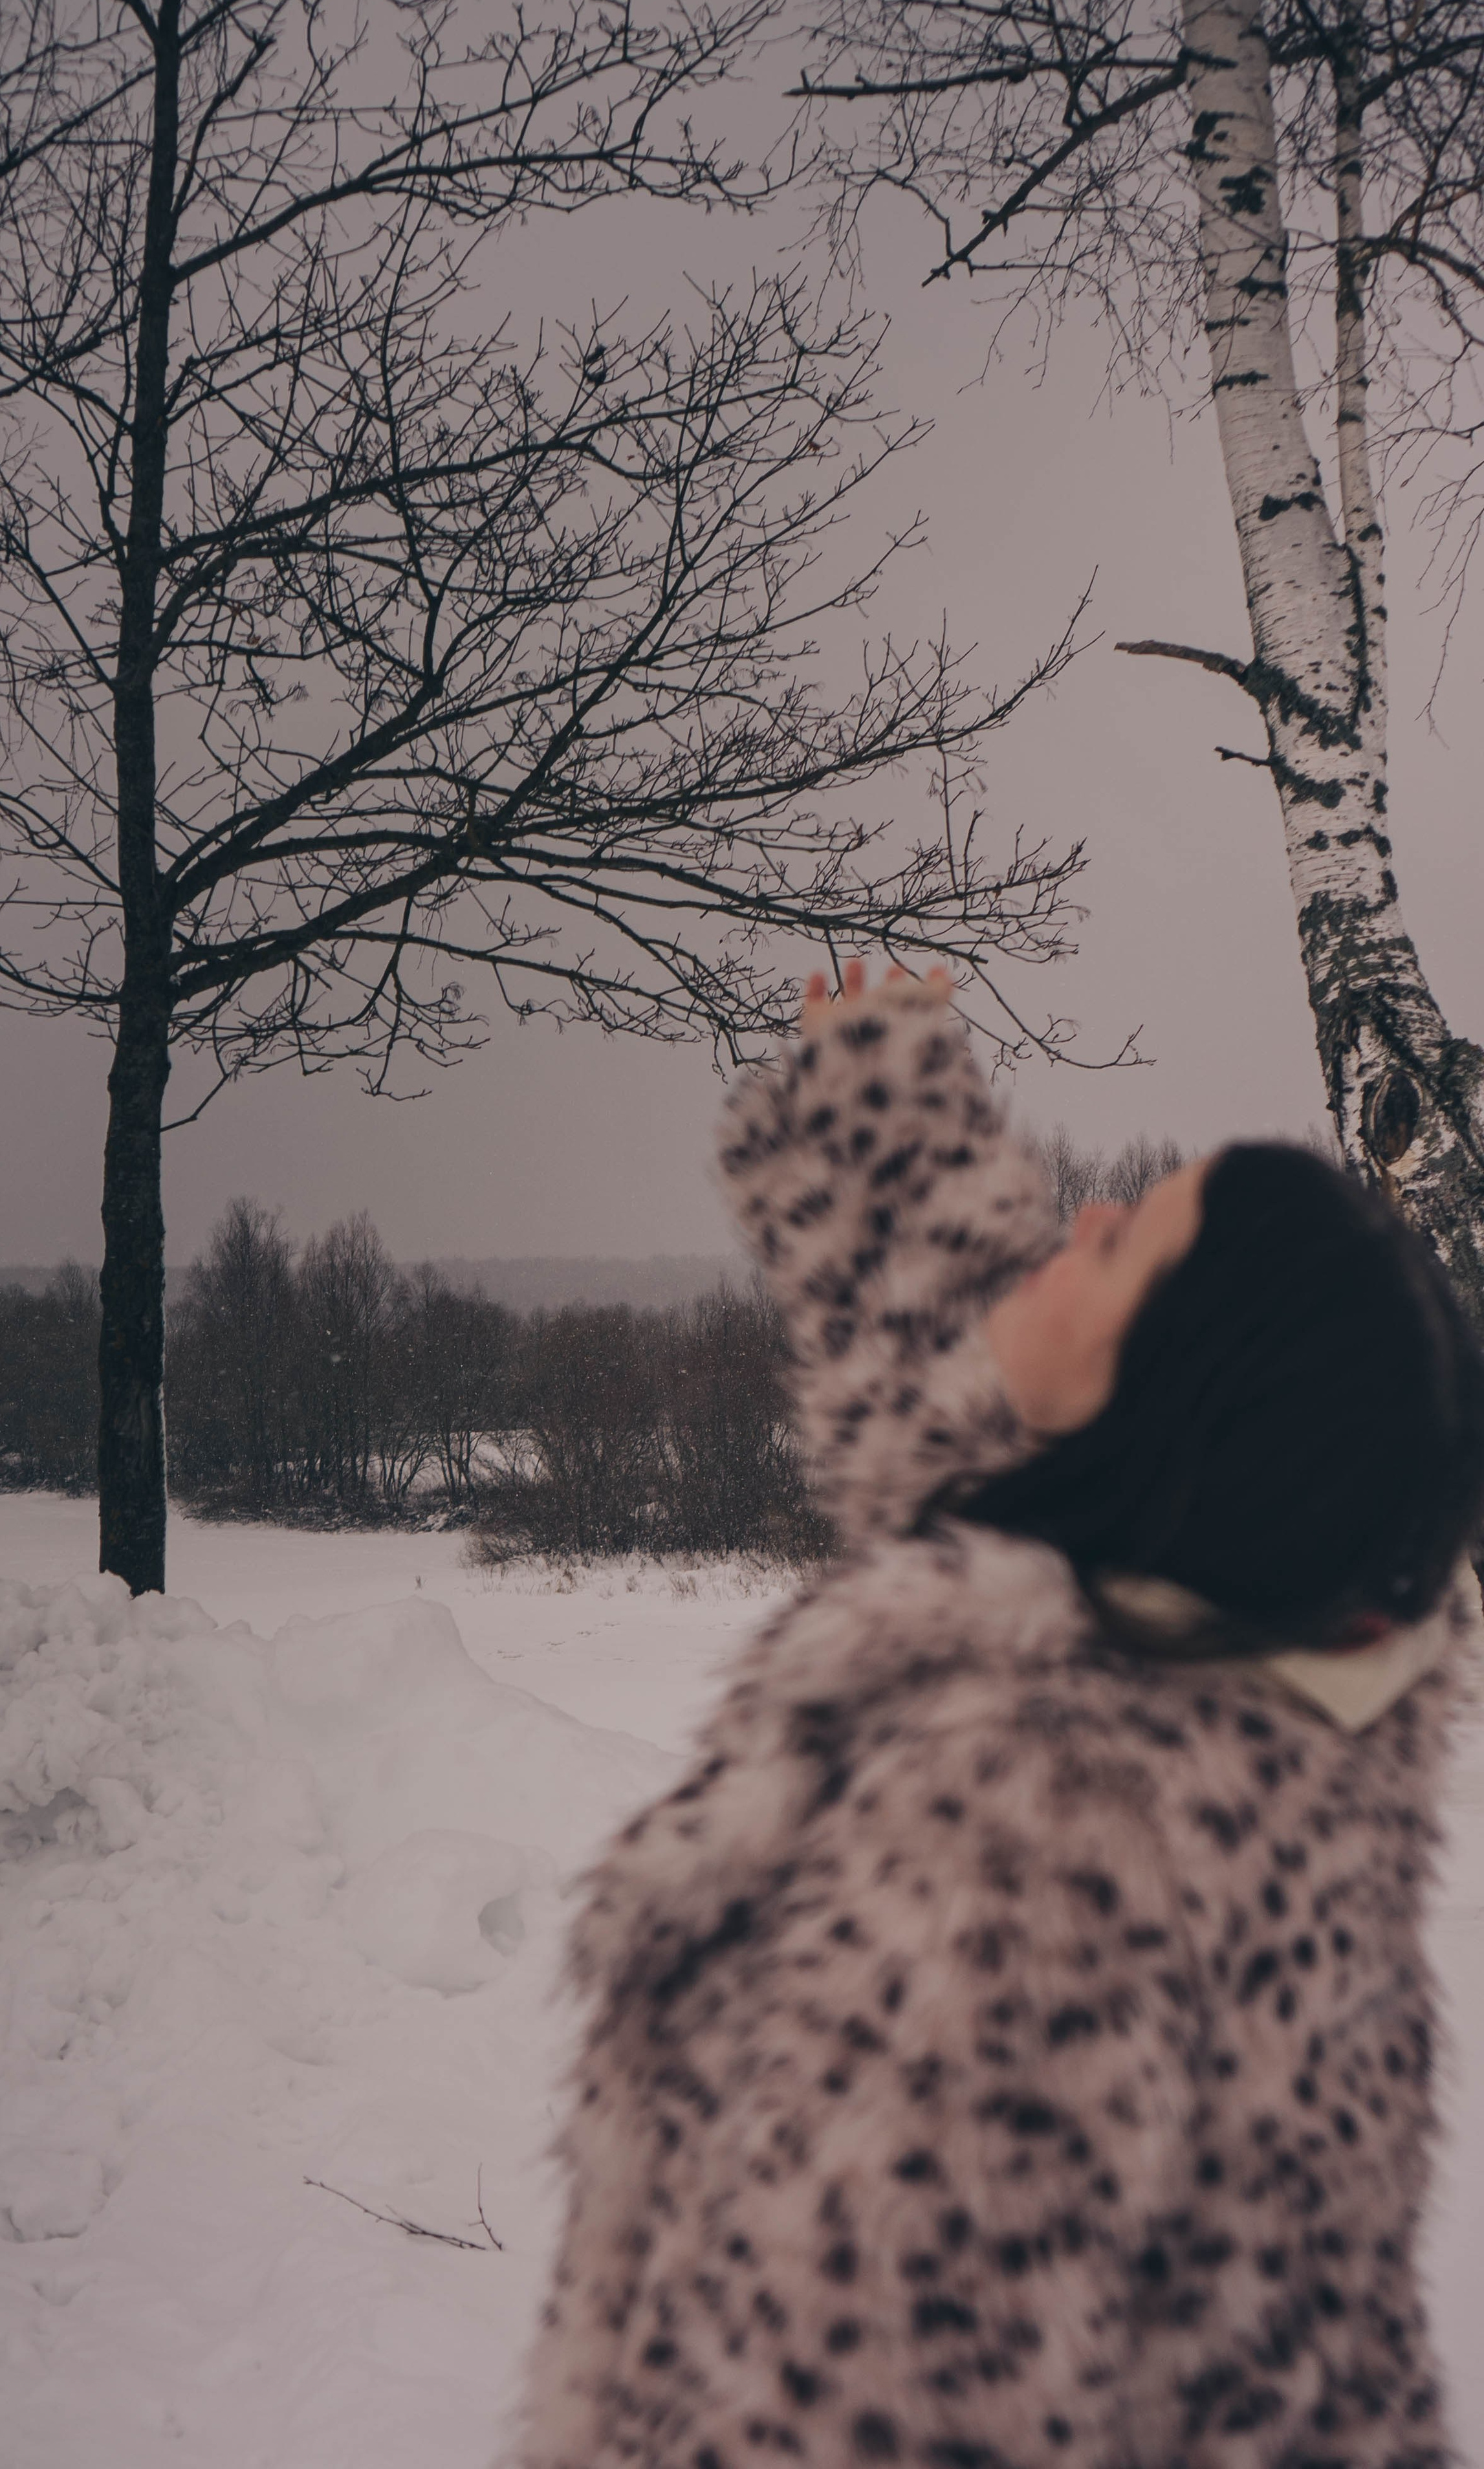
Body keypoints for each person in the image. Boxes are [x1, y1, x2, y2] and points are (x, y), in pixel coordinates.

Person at [514, 963, 1484, 2469]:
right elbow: (964, 1415)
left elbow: (857, 2407)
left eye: (1127, 1246)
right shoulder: (1247, 1657)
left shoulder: (1036, 1845)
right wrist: (883, 1124)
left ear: (1177, 1403)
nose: (1079, 1224)